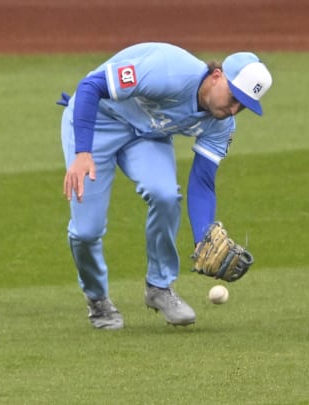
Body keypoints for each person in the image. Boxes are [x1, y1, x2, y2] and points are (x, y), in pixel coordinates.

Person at [57, 42, 272, 329]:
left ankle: (159, 287)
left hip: (145, 137)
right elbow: (90, 87)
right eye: (233, 97)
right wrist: (83, 152)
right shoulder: (168, 71)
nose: (233, 110)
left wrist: (203, 240)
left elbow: (203, 181)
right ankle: (97, 299)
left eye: (242, 106)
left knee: (166, 195)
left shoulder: (221, 124)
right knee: (86, 231)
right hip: (96, 124)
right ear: (218, 75)